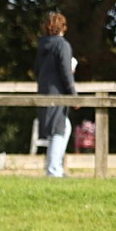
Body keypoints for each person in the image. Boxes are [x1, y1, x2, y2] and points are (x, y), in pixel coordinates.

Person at [35, 12, 77, 178]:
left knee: (64, 127)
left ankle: (55, 166)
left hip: (43, 89)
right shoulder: (62, 45)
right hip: (58, 92)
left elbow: (36, 70)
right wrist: (74, 95)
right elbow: (66, 72)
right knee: (57, 131)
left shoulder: (42, 45)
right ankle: (53, 170)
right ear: (63, 27)